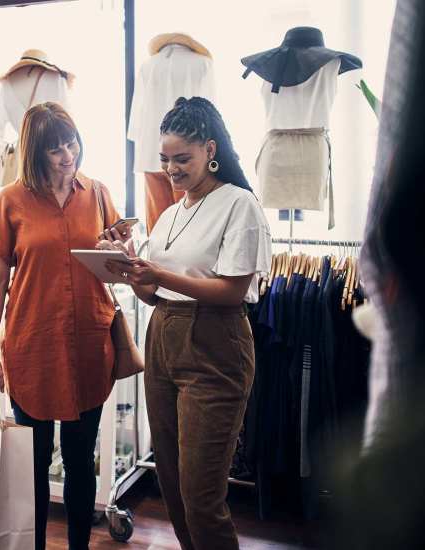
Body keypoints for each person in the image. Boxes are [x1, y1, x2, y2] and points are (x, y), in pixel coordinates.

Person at [105, 97, 272, 550]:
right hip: (163, 338)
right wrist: (127, 265)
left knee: (201, 495)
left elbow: (233, 291)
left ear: (210, 150)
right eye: (165, 160)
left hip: (215, 344)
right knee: (174, 486)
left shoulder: (238, 204)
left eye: (183, 159)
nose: (172, 169)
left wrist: (157, 273)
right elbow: (153, 293)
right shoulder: (171, 214)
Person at [0, 101, 132, 550]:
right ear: (35, 154)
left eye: (72, 143)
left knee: (82, 460)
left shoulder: (99, 193)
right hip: (33, 347)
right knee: (35, 462)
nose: (69, 155)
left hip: (89, 344)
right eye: (55, 150)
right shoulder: (10, 201)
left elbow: (117, 267)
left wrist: (120, 250)